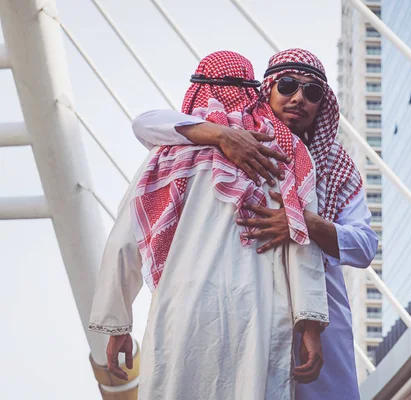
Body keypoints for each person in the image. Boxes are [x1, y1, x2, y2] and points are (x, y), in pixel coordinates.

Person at [132, 48, 378, 400]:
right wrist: (221, 136)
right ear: (267, 89)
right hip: (249, 307)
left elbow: (365, 246)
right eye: (288, 85)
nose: (298, 98)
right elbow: (145, 123)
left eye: (312, 93)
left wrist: (303, 222)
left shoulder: (337, 165)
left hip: (321, 314)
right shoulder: (240, 141)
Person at [88, 51, 330, 400]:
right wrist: (310, 328)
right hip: (258, 309)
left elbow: (124, 242)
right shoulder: (284, 152)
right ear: (256, 92)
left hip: (181, 305)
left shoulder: (165, 155)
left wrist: (117, 324)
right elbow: (300, 243)